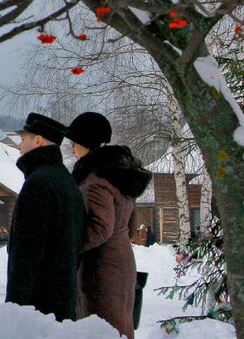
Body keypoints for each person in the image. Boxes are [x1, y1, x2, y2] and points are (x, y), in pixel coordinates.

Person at [66, 111, 153, 339]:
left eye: (73, 142)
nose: (72, 148)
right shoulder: (120, 176)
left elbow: (100, 227)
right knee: (121, 327)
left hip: (101, 268)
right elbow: (131, 229)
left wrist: (71, 249)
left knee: (101, 330)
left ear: (85, 143)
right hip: (123, 261)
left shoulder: (95, 181)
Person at [5, 112, 85, 322]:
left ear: (38, 140)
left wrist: (15, 310)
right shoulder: (67, 181)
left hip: (37, 309)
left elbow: (27, 254)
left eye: (23, 139)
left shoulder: (38, 184)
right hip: (63, 302)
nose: (19, 147)